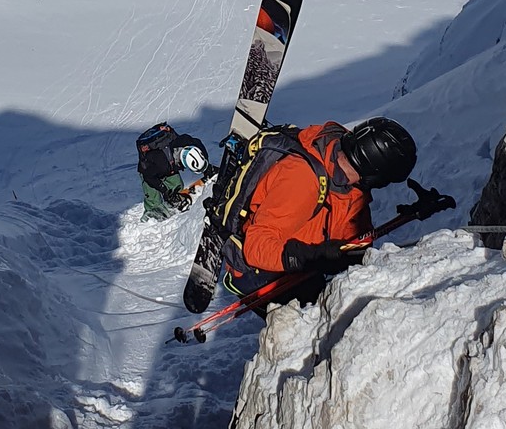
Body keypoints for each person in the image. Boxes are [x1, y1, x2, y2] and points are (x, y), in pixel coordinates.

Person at [223, 116, 420, 299]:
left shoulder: (349, 180)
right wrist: (309, 256)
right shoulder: (302, 179)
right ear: (376, 175)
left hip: (304, 261)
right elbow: (256, 247)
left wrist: (348, 255)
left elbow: (352, 238)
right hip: (262, 271)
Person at [136, 122, 210, 219]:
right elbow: (149, 177)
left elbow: (198, 144)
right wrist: (164, 190)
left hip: (166, 164)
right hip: (148, 171)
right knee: (153, 200)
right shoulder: (162, 164)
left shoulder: (186, 142)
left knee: (177, 187)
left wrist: (206, 167)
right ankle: (149, 221)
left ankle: (174, 210)